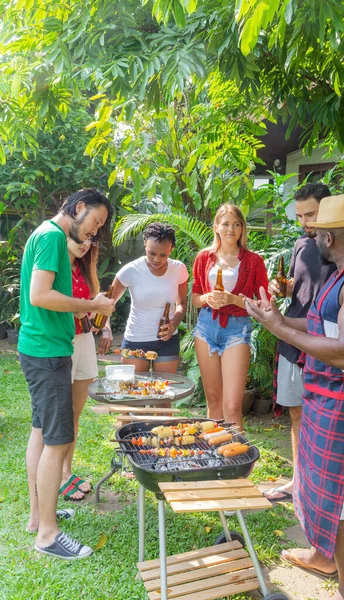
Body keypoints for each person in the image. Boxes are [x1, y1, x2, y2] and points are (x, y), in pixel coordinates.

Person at [245, 194, 344, 600]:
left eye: (313, 231)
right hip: (327, 400)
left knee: (342, 499)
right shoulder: (343, 271)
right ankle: (320, 554)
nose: (308, 236)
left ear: (327, 237)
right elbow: (323, 324)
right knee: (316, 486)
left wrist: (280, 332)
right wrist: (278, 319)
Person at [19, 188, 115, 560]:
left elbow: (50, 298)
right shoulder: (52, 237)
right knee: (57, 441)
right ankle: (47, 534)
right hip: (48, 351)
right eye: (95, 222)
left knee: (42, 433)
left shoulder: (49, 235)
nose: (94, 232)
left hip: (42, 347)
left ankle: (36, 516)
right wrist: (90, 304)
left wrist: (82, 310)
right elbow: (39, 295)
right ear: (78, 208)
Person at [265, 182, 336, 503]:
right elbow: (296, 287)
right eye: (299, 216)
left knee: (324, 417)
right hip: (292, 336)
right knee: (296, 412)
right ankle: (298, 480)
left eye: (311, 214)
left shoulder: (340, 248)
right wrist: (282, 288)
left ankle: (323, 484)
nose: (304, 221)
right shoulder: (300, 244)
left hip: (324, 341)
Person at [192, 203, 269, 431]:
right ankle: (214, 461)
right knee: (213, 402)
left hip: (237, 330)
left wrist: (233, 300)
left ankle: (237, 464)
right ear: (216, 226)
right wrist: (207, 298)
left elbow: (261, 304)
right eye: (225, 224)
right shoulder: (203, 258)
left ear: (243, 228)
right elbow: (195, 298)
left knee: (233, 407)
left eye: (236, 224)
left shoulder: (254, 261)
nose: (231, 229)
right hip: (205, 328)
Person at [59, 236, 113, 501]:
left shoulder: (83, 267)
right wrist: (77, 311)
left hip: (84, 340)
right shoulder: (53, 264)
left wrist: (106, 323)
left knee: (74, 413)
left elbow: (94, 303)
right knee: (59, 414)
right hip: (61, 341)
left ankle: (66, 471)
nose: (85, 243)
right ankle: (56, 475)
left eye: (91, 239)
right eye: (79, 237)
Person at [111, 222, 188, 374]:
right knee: (134, 394)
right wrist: (106, 329)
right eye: (151, 253)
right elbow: (107, 303)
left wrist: (173, 324)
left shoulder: (179, 269)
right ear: (145, 243)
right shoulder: (131, 270)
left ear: (171, 249)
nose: (157, 260)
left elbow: (182, 303)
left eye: (163, 255)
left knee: (165, 393)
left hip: (167, 341)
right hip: (136, 340)